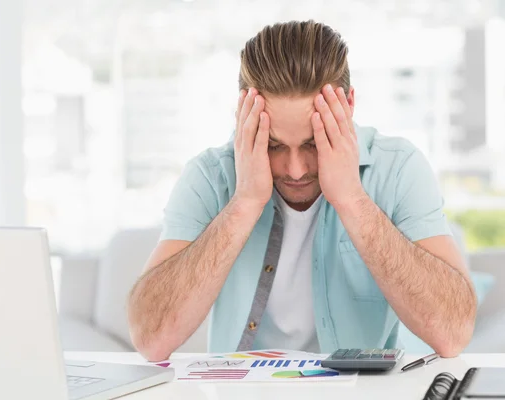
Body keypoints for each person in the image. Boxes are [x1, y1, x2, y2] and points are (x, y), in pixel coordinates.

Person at [127, 20, 477, 362]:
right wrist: (245, 202)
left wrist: (352, 200)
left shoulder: (398, 168)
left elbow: (452, 334)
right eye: (275, 146)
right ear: (243, 115)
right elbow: (150, 340)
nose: (295, 170)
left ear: (349, 105)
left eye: (312, 143)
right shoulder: (210, 176)